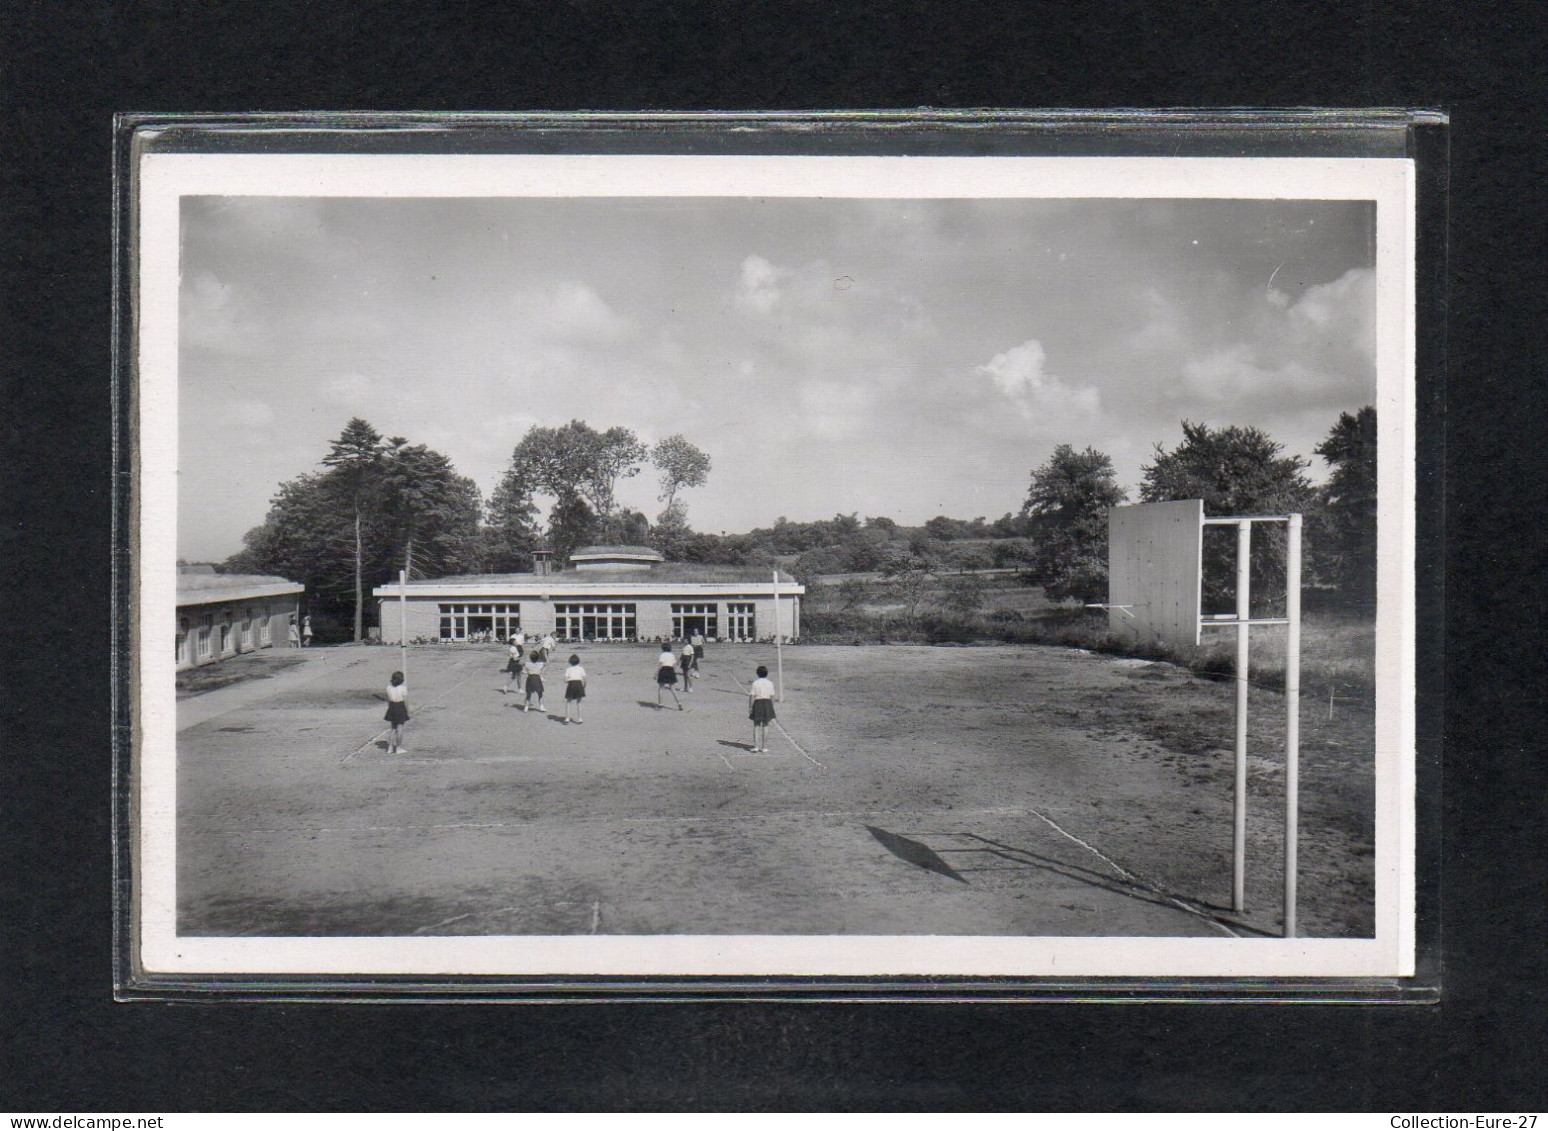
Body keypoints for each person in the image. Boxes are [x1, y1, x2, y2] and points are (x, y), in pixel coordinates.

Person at [748, 664, 776, 753]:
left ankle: (756, 746)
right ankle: (764, 747)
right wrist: (771, 706)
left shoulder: (755, 683)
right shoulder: (770, 683)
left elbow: (752, 696)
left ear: (757, 673)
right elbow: (772, 696)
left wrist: (750, 707)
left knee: (756, 725)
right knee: (765, 725)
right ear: (766, 673)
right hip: (767, 703)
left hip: (758, 703)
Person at [384, 671, 410, 753]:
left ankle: (390, 747)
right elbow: (405, 701)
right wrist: (407, 710)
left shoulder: (388, 687)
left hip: (392, 707)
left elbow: (388, 700)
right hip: (400, 707)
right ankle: (398, 747)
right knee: (400, 728)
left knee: (393, 728)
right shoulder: (403, 688)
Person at [656, 643, 683, 710]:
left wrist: (656, 673)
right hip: (670, 670)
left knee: (661, 688)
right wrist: (673, 672)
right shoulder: (672, 655)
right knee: (673, 688)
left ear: (663, 648)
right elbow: (674, 665)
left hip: (663, 670)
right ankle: (679, 703)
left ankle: (660, 704)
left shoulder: (662, 655)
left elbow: (660, 664)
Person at [563, 654, 586, 724]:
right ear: (578, 661)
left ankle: (567, 718)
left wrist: (569, 680)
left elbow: (565, 680)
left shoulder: (568, 669)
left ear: (570, 662)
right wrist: (584, 686)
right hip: (579, 684)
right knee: (579, 702)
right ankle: (580, 718)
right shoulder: (581, 668)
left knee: (568, 702)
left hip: (571, 684)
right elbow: (584, 679)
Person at [523, 649, 546, 713]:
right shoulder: (540, 664)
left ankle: (526, 707)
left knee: (528, 694)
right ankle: (541, 706)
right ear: (538, 658)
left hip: (530, 678)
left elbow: (522, 664)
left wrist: (525, 671)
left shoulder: (527, 664)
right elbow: (545, 664)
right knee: (540, 693)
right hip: (537, 678)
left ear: (530, 658)